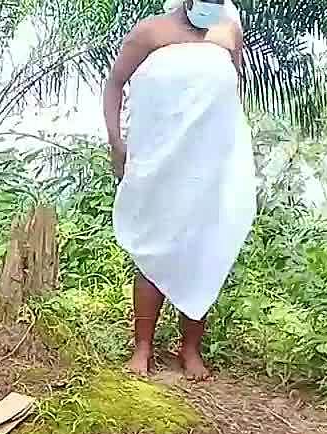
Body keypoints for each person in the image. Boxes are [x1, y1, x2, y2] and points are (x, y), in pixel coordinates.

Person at [103, 0, 257, 380]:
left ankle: (190, 350)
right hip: (160, 162)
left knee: (202, 251)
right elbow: (115, 84)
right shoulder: (150, 32)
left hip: (209, 167)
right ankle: (143, 348)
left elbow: (228, 93)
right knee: (154, 249)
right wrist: (117, 142)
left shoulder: (228, 32)